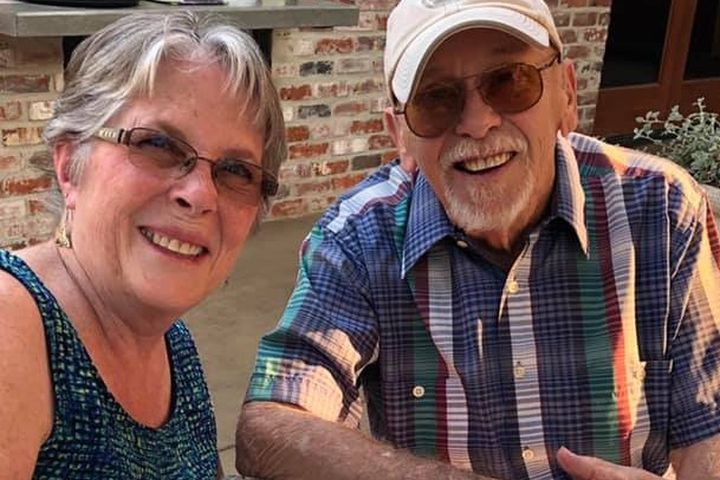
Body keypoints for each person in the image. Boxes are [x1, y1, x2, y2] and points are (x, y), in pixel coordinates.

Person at [235, 0, 720, 478]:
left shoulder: (661, 207)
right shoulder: (360, 237)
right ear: (399, 134)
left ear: (566, 95)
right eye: (436, 99)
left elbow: (710, 427)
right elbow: (271, 426)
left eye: (509, 81)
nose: (477, 122)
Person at [0, 11, 285, 480]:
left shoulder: (174, 346)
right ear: (70, 166)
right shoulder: (13, 326)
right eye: (158, 145)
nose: (200, 195)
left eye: (236, 171)